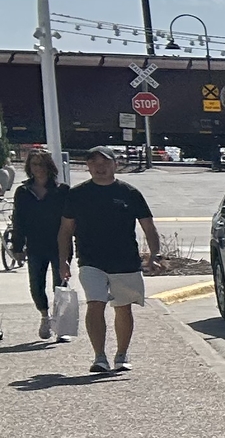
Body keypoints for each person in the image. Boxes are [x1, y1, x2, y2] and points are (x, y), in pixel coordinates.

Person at [57, 147, 162, 374]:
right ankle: (99, 357)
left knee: (123, 308)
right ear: (88, 167)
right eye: (93, 163)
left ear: (115, 164)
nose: (99, 167)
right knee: (95, 304)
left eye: (104, 162)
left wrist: (155, 254)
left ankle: (122, 355)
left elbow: (148, 225)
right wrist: (63, 261)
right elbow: (65, 230)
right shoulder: (77, 194)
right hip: (90, 260)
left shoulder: (129, 193)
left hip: (125, 260)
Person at [11, 148, 70, 342]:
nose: (39, 169)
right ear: (29, 167)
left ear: (50, 166)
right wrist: (17, 247)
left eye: (42, 164)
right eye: (35, 164)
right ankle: (45, 316)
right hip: (35, 245)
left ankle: (61, 325)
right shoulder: (23, 191)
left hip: (60, 244)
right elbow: (18, 221)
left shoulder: (62, 190)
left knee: (60, 285)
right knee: (36, 285)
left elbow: (71, 220)